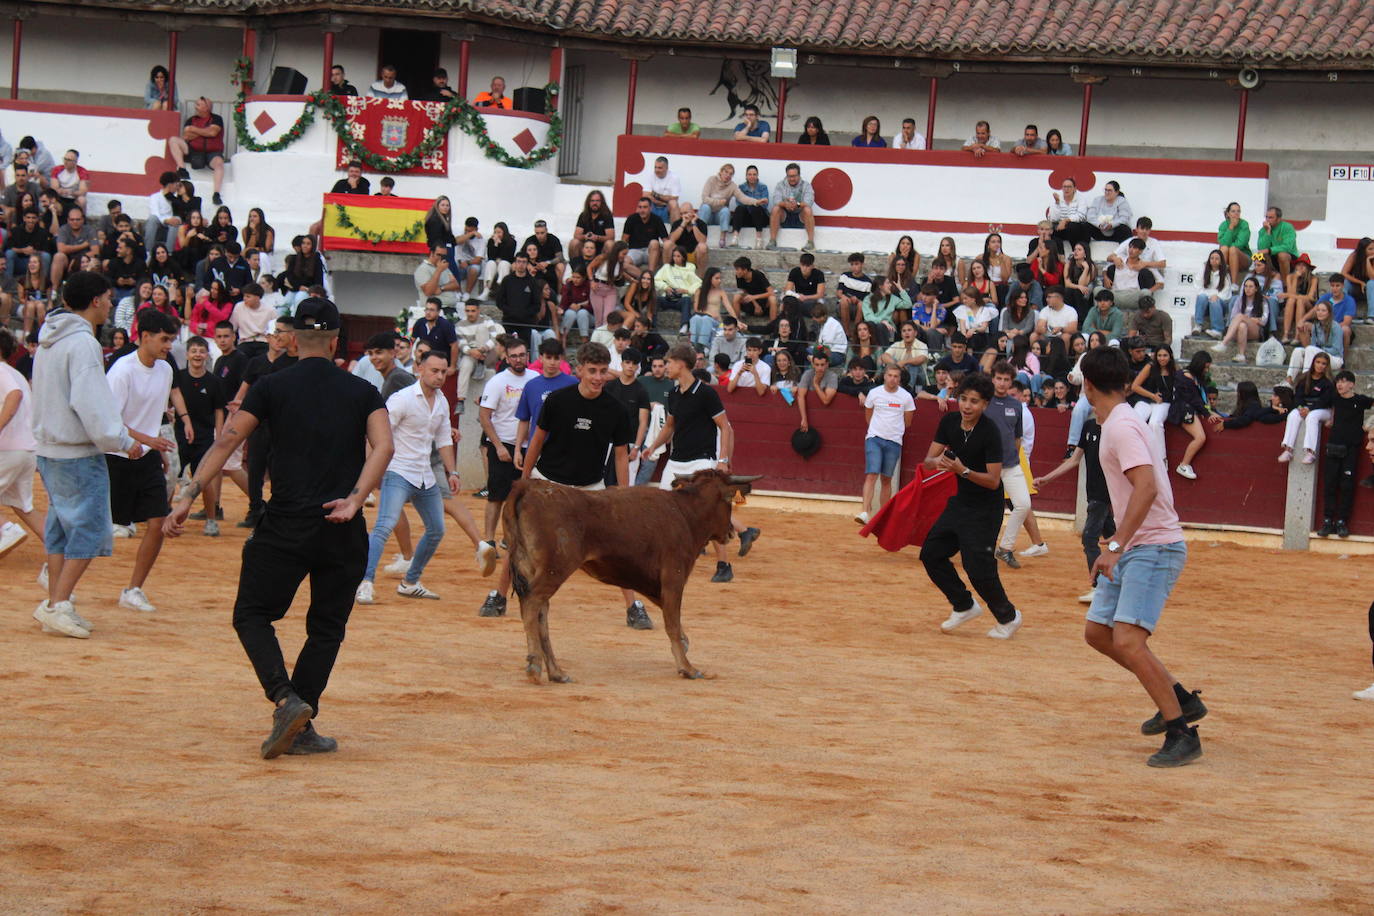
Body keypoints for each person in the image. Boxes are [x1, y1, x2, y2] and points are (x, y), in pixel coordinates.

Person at [165, 296, 391, 758]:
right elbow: (384, 447)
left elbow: (228, 438)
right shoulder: (362, 391)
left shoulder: (271, 385)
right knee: (326, 628)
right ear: (335, 341)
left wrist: (189, 493)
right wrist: (354, 499)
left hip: (286, 522)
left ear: (292, 339)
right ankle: (302, 721)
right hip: (341, 525)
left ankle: (286, 700)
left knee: (251, 614)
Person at [1077, 344, 1204, 767]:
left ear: (1089, 387)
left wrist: (1114, 545)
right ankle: (1181, 699)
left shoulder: (1121, 427)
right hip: (1138, 544)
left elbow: (1146, 488)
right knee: (1099, 633)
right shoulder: (1121, 421)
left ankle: (1181, 732)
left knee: (1129, 641)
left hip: (1154, 545)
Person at [31, 272, 143, 639]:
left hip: (49, 448)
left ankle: (55, 603)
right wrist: (123, 440)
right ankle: (59, 604)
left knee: (60, 529)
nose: (111, 304)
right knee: (89, 529)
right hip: (77, 451)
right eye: (108, 297)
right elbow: (92, 403)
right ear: (95, 300)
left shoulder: (49, 338)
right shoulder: (82, 343)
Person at [918, 372, 1024, 639]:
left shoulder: (991, 432)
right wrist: (938, 461)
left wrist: (962, 470)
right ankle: (964, 605)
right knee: (931, 554)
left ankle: (1008, 617)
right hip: (961, 502)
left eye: (974, 401)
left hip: (986, 508)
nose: (966, 406)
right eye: (963, 399)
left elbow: (992, 481)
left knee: (978, 568)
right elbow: (929, 460)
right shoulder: (950, 421)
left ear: (985, 404)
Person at [642, 343, 759, 582]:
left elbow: (725, 427)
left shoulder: (706, 393)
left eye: (669, 363)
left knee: (706, 514)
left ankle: (724, 565)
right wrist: (652, 446)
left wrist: (723, 460)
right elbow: (670, 426)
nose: (666, 367)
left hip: (701, 461)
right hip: (676, 462)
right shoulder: (673, 394)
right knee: (663, 511)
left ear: (681, 364)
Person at [355, 349, 457, 605]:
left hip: (425, 474)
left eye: (443, 371)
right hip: (398, 470)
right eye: (434, 370)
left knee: (436, 529)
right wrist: (370, 470)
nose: (440, 376)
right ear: (419, 369)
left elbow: (444, 439)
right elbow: (378, 434)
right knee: (384, 525)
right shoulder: (402, 399)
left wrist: (452, 471)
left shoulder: (442, 402)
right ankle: (365, 582)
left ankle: (410, 582)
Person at [475, 338, 532, 617]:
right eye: (514, 356)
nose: (518, 359)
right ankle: (489, 542)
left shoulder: (534, 379)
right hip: (505, 445)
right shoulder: (497, 382)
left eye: (522, 355)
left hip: (529, 447)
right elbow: (485, 416)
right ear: (506, 357)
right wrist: (497, 446)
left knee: (525, 499)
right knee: (496, 496)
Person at [1035, 413, 1115, 605]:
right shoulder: (1089, 426)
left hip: (1104, 494)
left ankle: (1100, 587)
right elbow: (1074, 460)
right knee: (1114, 537)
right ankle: (1124, 582)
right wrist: (1047, 478)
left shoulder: (1115, 427)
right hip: (1094, 493)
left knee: (1089, 538)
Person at [170, 335, 227, 537]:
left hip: (204, 437)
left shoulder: (214, 382)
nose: (197, 355)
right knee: (171, 477)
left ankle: (211, 520)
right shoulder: (178, 378)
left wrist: (219, 436)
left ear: (207, 355)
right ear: (186, 354)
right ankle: (166, 517)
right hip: (179, 436)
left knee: (204, 480)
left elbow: (220, 410)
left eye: (201, 351)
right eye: (193, 351)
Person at [0, 330, 46, 566]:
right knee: (23, 505)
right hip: (27, 450)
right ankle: (59, 549)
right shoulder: (16, 373)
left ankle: (6, 529)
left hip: (7, 449)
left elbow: (14, 396)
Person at [855, 365, 915, 523]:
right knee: (872, 473)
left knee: (886, 478)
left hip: (894, 441)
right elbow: (868, 416)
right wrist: (877, 430)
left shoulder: (906, 397)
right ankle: (865, 512)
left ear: (900, 379)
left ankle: (882, 516)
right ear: (885, 376)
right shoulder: (874, 393)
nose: (892, 379)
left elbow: (908, 422)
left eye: (896, 376)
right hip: (875, 437)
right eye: (890, 375)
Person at [168, 97, 228, 205]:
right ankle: (182, 169)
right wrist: (204, 131)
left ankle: (216, 194)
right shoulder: (191, 120)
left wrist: (193, 130)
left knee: (219, 164)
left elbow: (213, 133)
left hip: (212, 153)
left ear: (207, 108)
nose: (195, 107)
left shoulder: (217, 119)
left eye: (198, 105)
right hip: (194, 151)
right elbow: (186, 135)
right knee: (173, 140)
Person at [1278, 351, 1335, 465]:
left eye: (1323, 363)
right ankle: (1288, 449)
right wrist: (1300, 408)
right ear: (1313, 363)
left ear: (1327, 366)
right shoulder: (1305, 378)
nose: (1320, 365)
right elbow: (1298, 396)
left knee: (1312, 417)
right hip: (1304, 407)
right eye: (1318, 362)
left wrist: (1309, 409)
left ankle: (1310, 452)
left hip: (1323, 410)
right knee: (1293, 415)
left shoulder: (1328, 381)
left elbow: (1325, 400)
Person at [767, 163, 816, 252]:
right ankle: (772, 241)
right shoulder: (780, 185)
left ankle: (811, 242)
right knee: (775, 209)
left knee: (808, 210)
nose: (792, 179)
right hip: (784, 217)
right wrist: (785, 204)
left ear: (799, 175)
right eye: (789, 176)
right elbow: (776, 200)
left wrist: (796, 204)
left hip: (800, 217)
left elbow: (809, 201)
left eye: (794, 176)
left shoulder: (806, 185)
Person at [622, 197, 668, 274]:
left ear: (650, 208)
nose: (642, 210)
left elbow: (665, 240)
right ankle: (645, 278)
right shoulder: (631, 219)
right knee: (624, 263)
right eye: (640, 207)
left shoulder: (657, 219)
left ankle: (650, 273)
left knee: (654, 242)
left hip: (650, 251)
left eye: (645, 207)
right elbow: (624, 239)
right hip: (634, 250)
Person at [729, 165, 770, 249]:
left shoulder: (763, 187)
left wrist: (752, 204)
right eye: (750, 174)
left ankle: (759, 239)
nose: (752, 177)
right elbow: (739, 202)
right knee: (739, 209)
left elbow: (765, 204)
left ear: (757, 175)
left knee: (757, 209)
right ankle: (735, 238)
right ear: (746, 176)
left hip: (760, 218)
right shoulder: (741, 187)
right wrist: (756, 202)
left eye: (754, 174)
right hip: (746, 218)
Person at [1256, 206, 1298, 286]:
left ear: (1279, 219)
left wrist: (1269, 250)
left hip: (1289, 259)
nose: (1267, 220)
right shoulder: (1264, 229)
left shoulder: (1287, 227)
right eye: (1266, 217)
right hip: (1272, 258)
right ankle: (1261, 285)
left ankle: (1285, 284)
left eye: (1271, 217)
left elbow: (1287, 247)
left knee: (1282, 255)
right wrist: (1267, 232)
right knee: (1259, 256)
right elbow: (1261, 248)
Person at [1217, 201, 1251, 285]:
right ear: (1228, 214)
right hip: (1227, 257)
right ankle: (1222, 282)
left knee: (1233, 249)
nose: (1236, 213)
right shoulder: (1224, 225)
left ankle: (1234, 284)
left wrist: (1229, 247)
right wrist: (1231, 227)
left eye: (1238, 211)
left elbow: (1240, 244)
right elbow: (1223, 243)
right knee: (1224, 249)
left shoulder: (1244, 224)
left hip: (1243, 257)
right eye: (1233, 211)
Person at [646, 156, 681, 224]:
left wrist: (655, 194)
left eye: (660, 168)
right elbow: (646, 195)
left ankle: (675, 231)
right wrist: (663, 201)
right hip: (653, 205)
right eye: (655, 167)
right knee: (644, 203)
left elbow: (674, 198)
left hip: (666, 207)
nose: (656, 170)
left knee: (673, 204)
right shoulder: (650, 175)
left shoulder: (674, 178)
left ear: (666, 168)